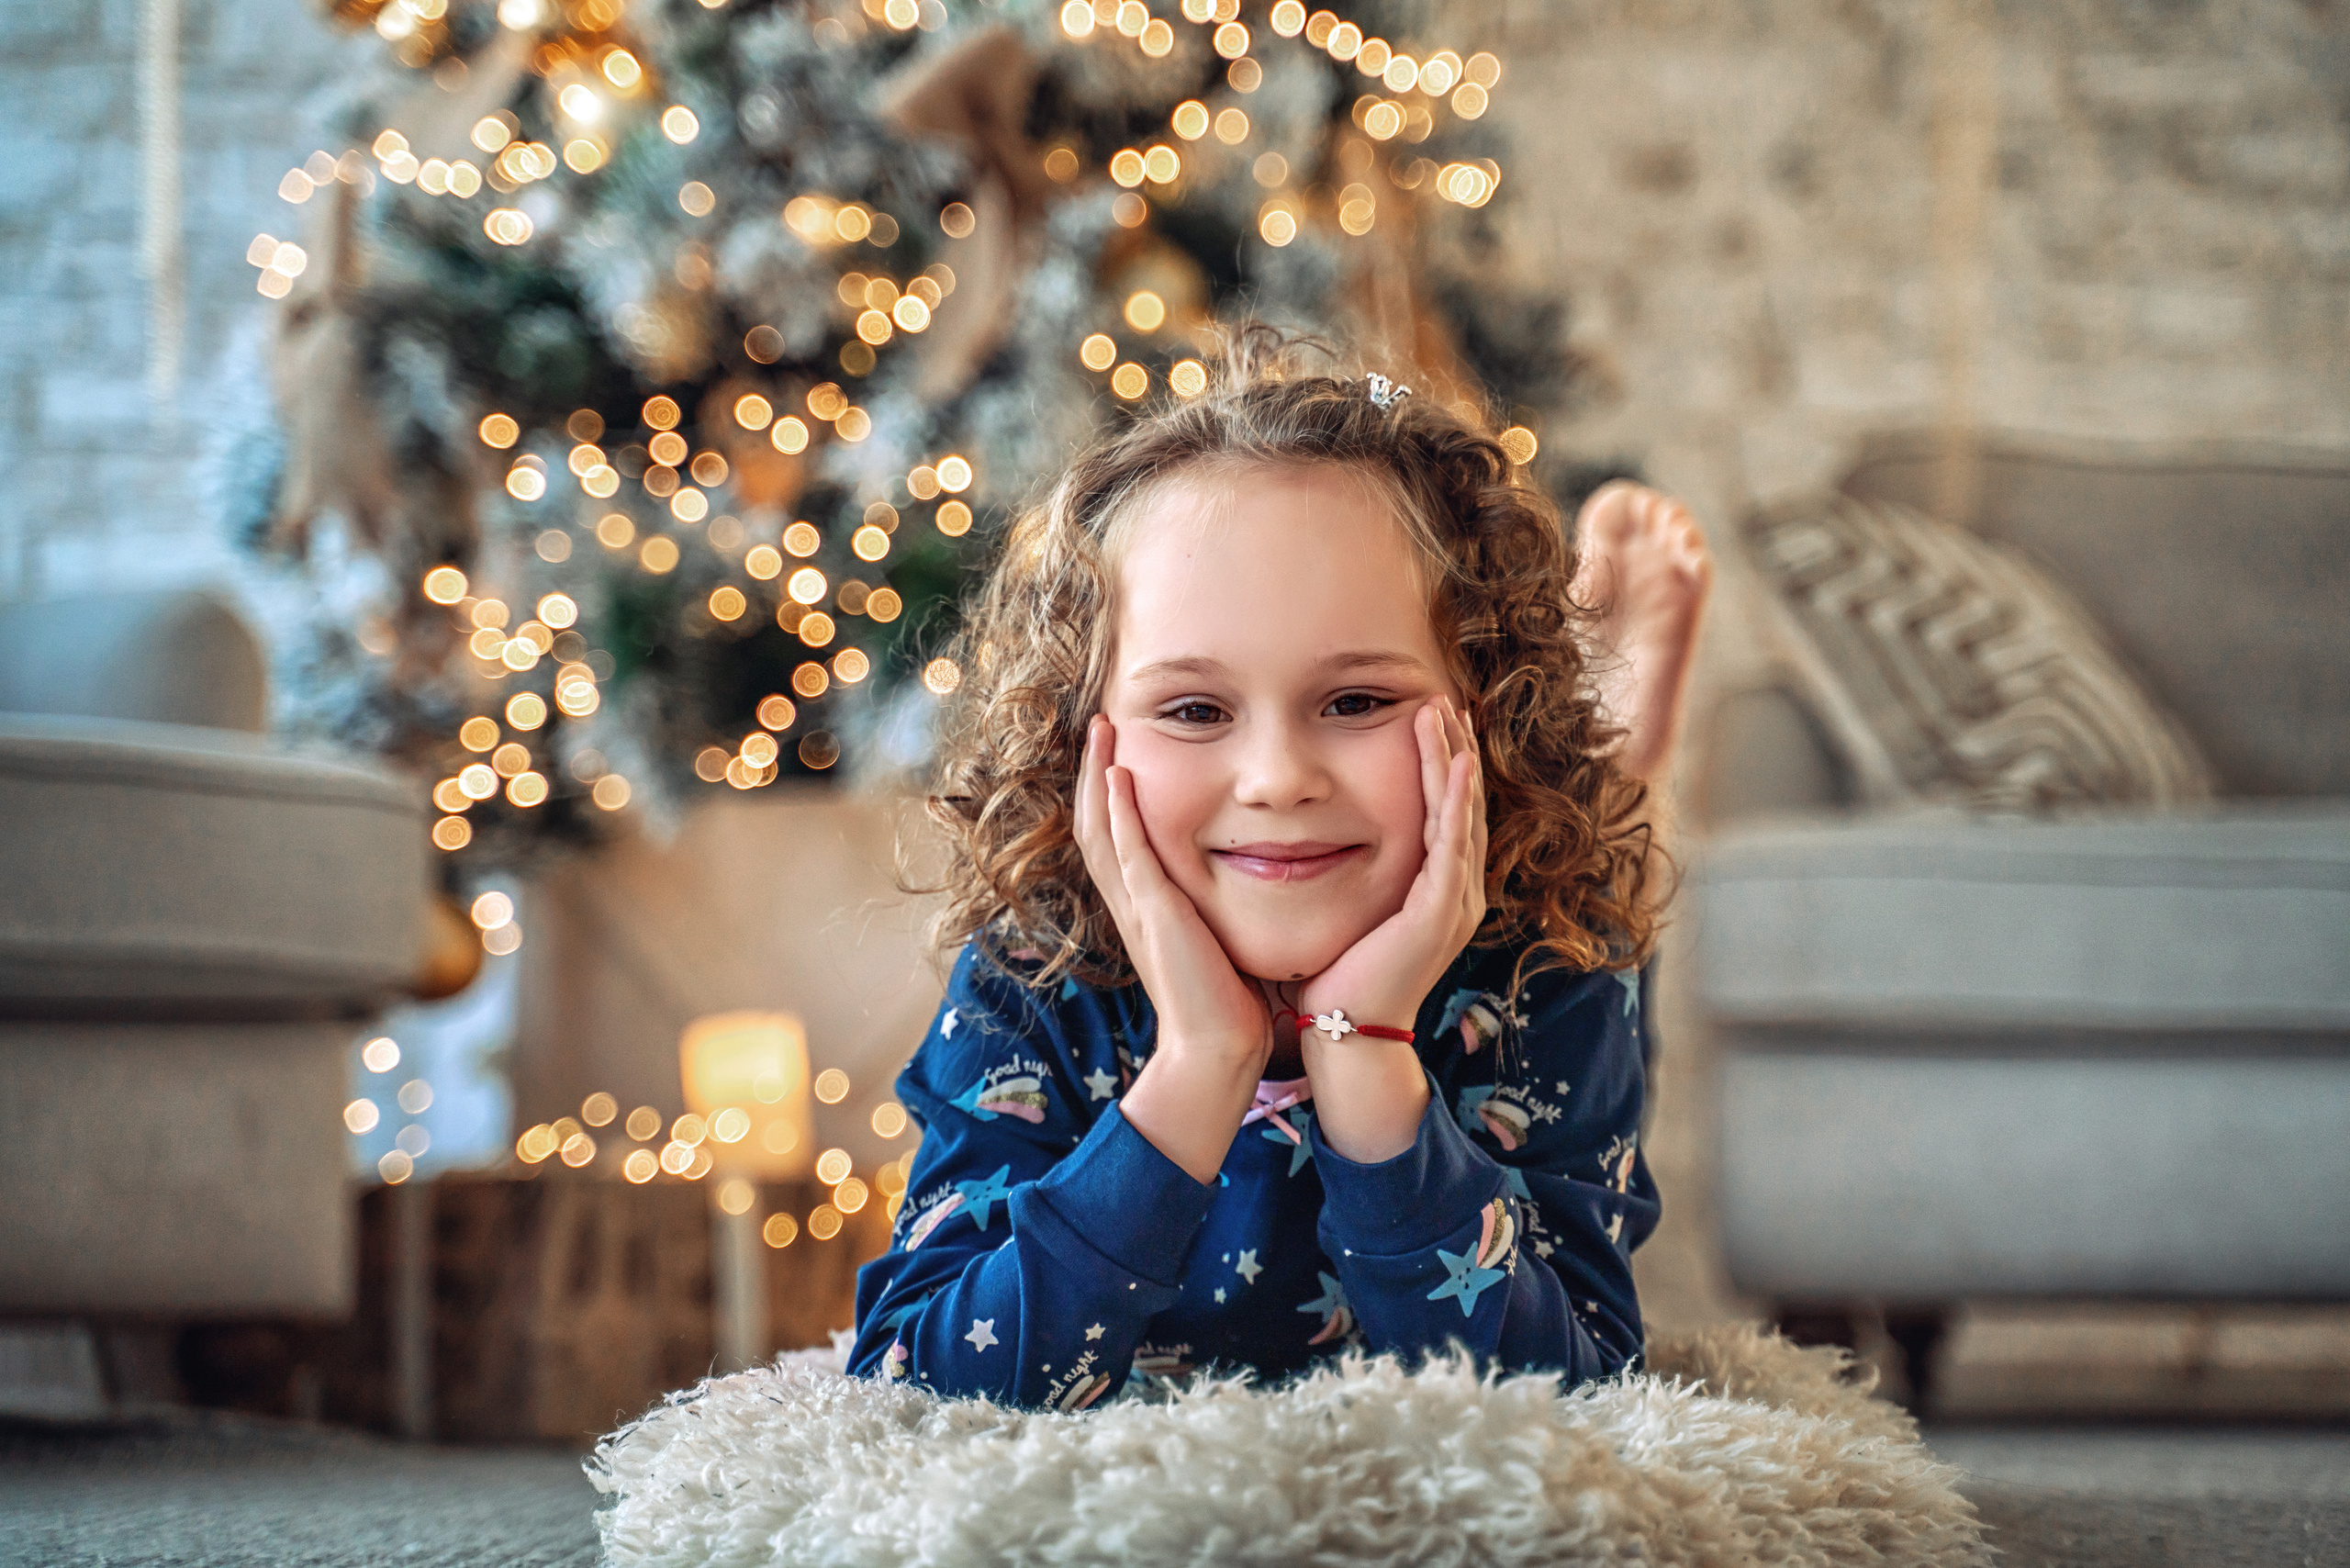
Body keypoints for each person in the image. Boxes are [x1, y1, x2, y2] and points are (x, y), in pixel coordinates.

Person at [847, 330, 1709, 1410]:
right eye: (1195, 708)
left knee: (1600, 885)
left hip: (1529, 881)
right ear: (1083, 740)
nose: (1276, 778)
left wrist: (1366, 1056)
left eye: (1354, 701)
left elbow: (1572, 1393)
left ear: (1485, 707)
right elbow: (915, 1379)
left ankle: (1603, 760)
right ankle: (1611, 746)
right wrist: (1202, 1059)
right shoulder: (1037, 968)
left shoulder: (1553, 965)